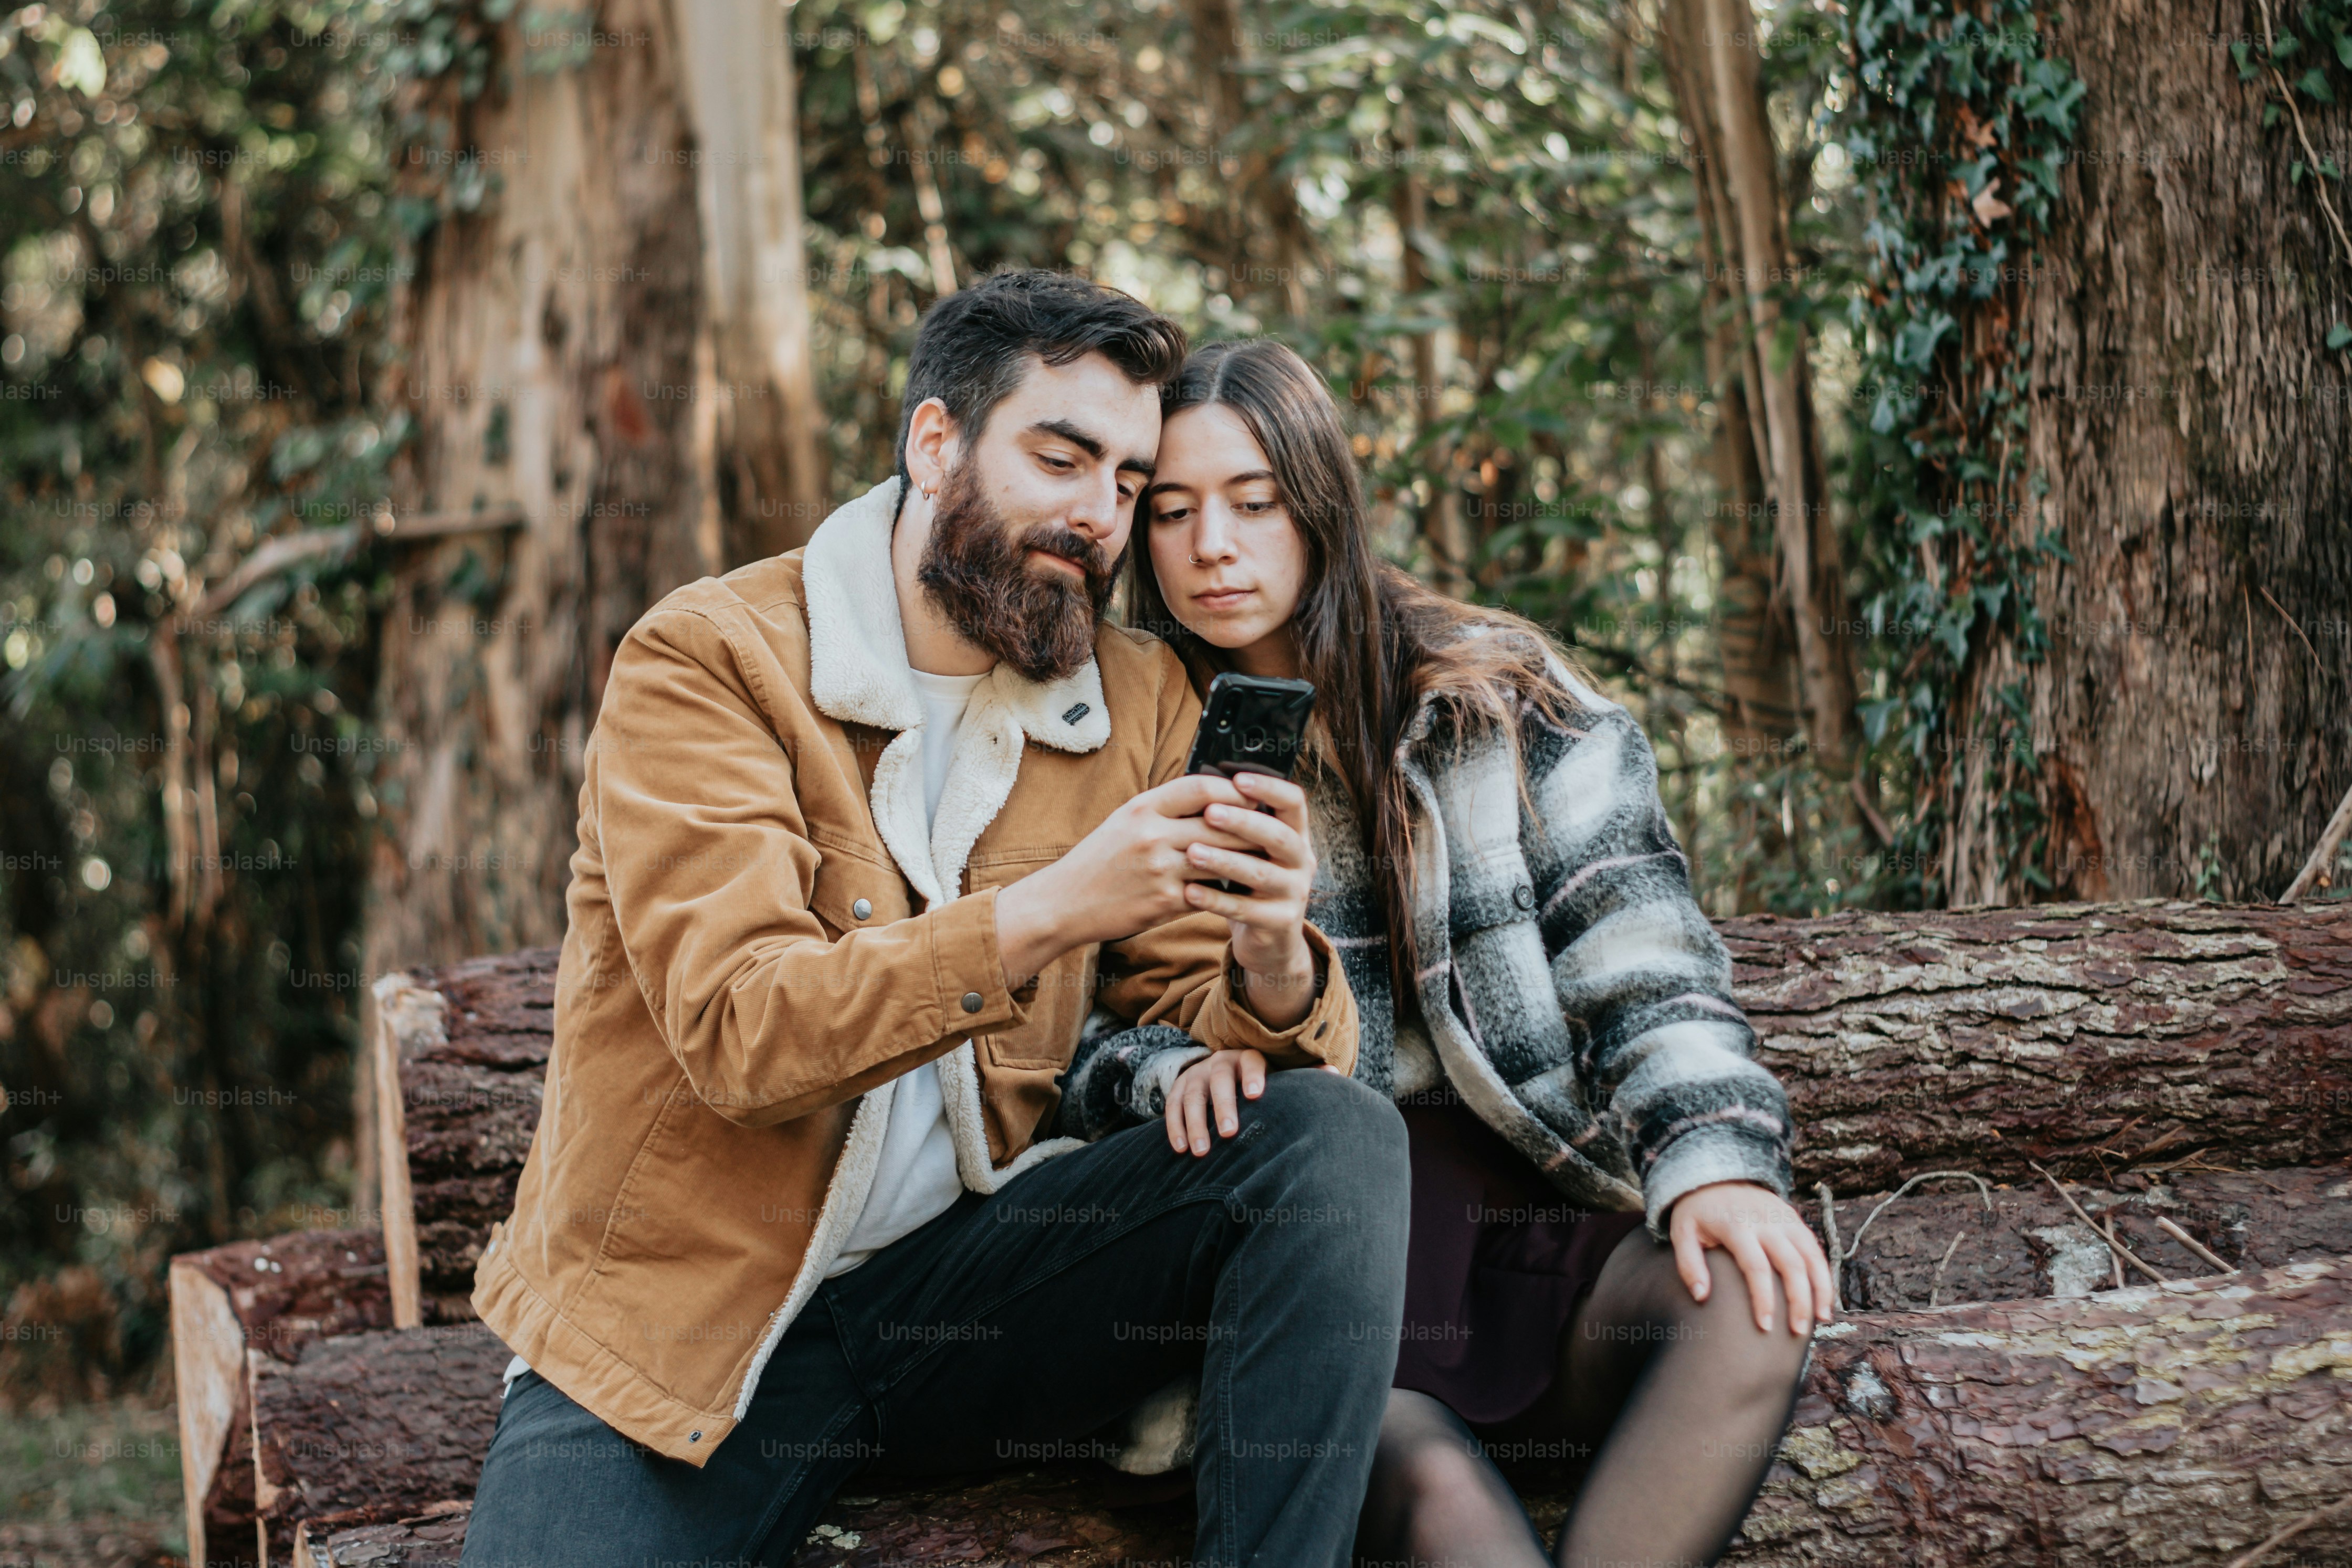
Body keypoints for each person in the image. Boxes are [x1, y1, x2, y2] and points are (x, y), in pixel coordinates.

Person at [459, 275, 1410, 1568]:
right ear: (933, 442)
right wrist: (1043, 912)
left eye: (1127, 482)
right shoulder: (709, 662)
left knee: (1325, 1141)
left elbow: (1220, 1026)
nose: (1096, 515)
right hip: (680, 1332)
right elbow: (741, 1032)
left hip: (964, 1297)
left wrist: (1268, 958)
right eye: (1059, 457)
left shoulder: (1133, 695)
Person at [1058, 338, 1834, 1568]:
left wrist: (1712, 1160)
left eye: (1253, 502)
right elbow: (1060, 1035)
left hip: (1533, 1224)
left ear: (1320, 504)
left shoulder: (1497, 697)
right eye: (1171, 510)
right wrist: (1163, 1077)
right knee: (1429, 1488)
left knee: (1746, 1299)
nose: (1212, 544)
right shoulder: (1108, 744)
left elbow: (1646, 965)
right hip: (1319, 1283)